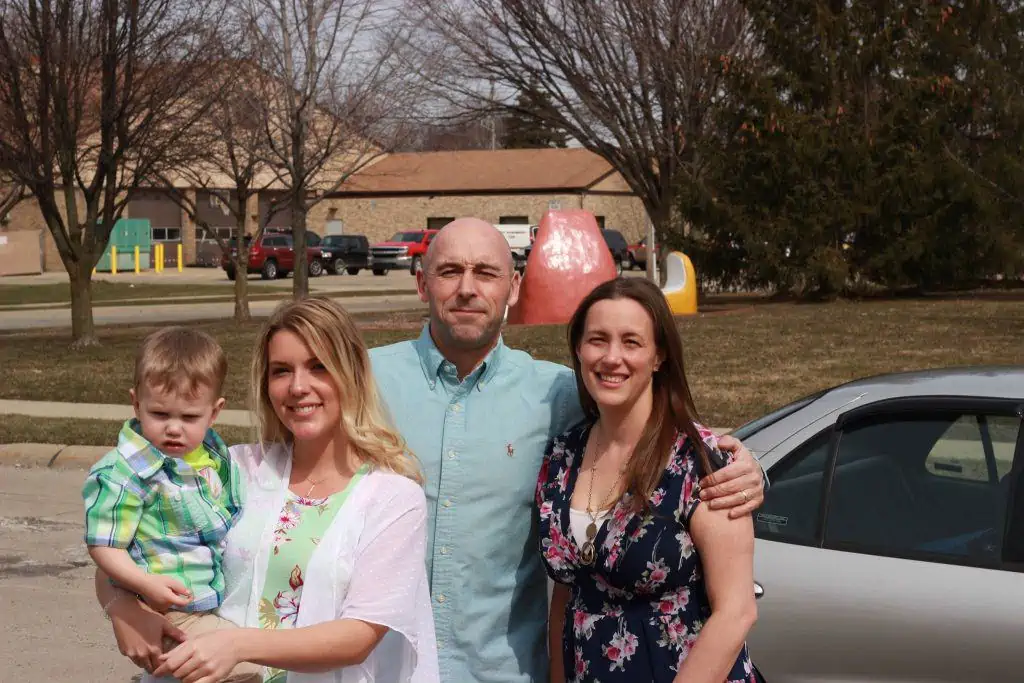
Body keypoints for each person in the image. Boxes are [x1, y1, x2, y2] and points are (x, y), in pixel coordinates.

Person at [369, 218, 766, 683]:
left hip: (505, 672)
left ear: (514, 286)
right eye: (450, 271)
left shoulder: (553, 394)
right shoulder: (364, 382)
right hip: (392, 668)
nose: (467, 288)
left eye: (486, 272)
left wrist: (752, 468)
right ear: (421, 283)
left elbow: (733, 601)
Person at [98, 298, 439, 683]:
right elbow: (121, 548)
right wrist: (123, 608)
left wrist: (237, 646)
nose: (297, 387)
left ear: (352, 374)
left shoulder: (393, 498)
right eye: (281, 371)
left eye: (318, 367)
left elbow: (359, 635)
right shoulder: (230, 469)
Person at [537, 277, 760, 683]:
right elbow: (567, 591)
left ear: (658, 356)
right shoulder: (562, 457)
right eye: (598, 340)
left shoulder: (700, 462)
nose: (611, 357)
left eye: (631, 342)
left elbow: (737, 611)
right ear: (578, 349)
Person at [83, 326, 260, 682]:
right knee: (245, 673)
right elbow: (103, 544)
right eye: (160, 415)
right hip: (169, 609)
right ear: (136, 403)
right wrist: (142, 584)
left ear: (215, 412)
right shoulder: (123, 474)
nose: (174, 429)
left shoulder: (214, 458)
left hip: (209, 603)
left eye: (189, 417)